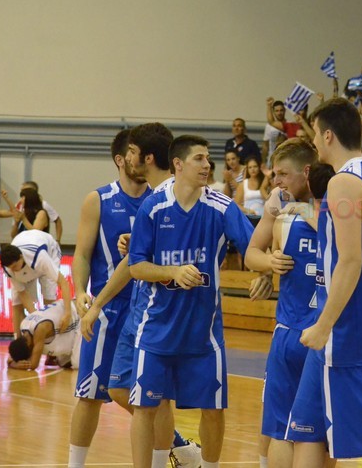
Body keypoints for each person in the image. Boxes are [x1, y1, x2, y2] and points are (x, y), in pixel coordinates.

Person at [285, 99, 362, 467]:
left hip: (347, 329)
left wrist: (324, 324)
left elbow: (351, 260)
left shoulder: (344, 183)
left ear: (328, 135)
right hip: (345, 326)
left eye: (315, 134)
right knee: (306, 431)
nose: (314, 142)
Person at [128, 134, 254, 468]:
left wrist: (265, 271)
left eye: (208, 158)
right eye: (199, 158)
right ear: (178, 164)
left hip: (203, 333)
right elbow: (136, 266)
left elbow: (253, 247)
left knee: (213, 410)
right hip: (156, 330)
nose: (207, 164)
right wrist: (172, 271)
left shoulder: (222, 207)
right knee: (145, 408)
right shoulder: (153, 206)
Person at [79, 122, 201, 468]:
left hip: (163, 311)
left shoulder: (170, 199)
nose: (128, 157)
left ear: (146, 157)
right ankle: (183, 451)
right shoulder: (152, 200)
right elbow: (132, 261)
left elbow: (137, 264)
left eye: (133, 151)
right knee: (123, 390)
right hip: (140, 307)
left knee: (154, 399)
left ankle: (181, 455)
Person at [67, 129, 163, 468]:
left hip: (150, 308)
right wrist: (80, 291)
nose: (142, 159)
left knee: (155, 396)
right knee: (90, 393)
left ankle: (174, 452)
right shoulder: (99, 199)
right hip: (109, 308)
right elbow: (82, 254)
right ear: (121, 159)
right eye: (135, 153)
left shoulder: (160, 199)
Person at [244, 138, 319, 468]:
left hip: (321, 332)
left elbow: (329, 228)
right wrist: (269, 265)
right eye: (274, 174)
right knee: (287, 430)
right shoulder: (281, 210)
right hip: (293, 329)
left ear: (307, 172)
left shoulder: (332, 208)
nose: (276, 182)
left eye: (283, 174)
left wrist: (300, 209)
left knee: (291, 431)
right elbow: (251, 254)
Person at [0, 230, 71, 340]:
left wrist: (67, 313)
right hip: (28, 247)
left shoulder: (40, 258)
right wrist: (37, 318)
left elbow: (63, 283)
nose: (13, 270)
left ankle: (51, 340)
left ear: (21, 257)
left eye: (15, 266)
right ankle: (18, 340)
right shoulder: (8, 268)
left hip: (49, 251)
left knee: (49, 298)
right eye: (11, 268)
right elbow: (22, 293)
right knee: (16, 302)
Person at [7, 299, 80, 370]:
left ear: (29, 345)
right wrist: (12, 361)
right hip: (64, 308)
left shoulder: (40, 330)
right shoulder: (23, 325)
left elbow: (33, 364)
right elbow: (14, 353)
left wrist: (14, 365)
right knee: (63, 362)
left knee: (76, 363)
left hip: (78, 313)